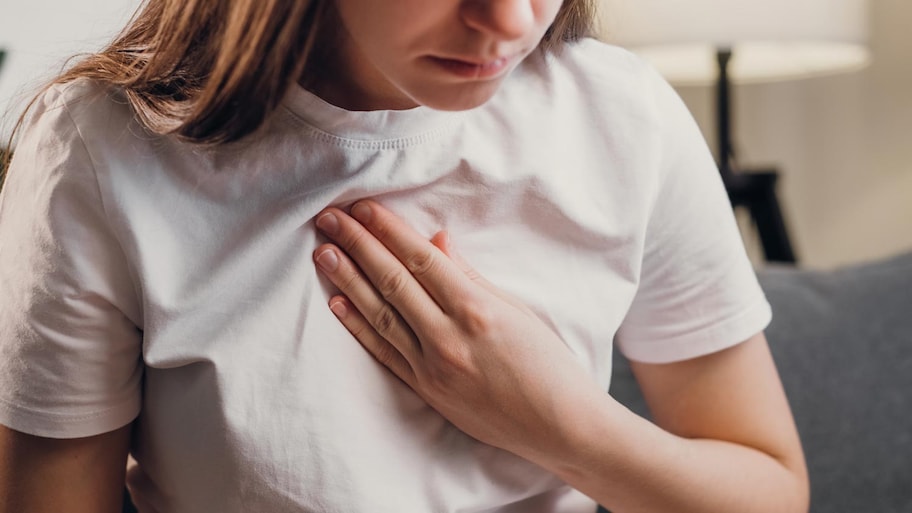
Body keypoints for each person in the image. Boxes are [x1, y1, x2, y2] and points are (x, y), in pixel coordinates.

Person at [0, 0, 809, 512]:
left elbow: (771, 490)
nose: (512, 20)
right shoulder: (100, 150)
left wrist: (556, 424)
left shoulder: (624, 118)